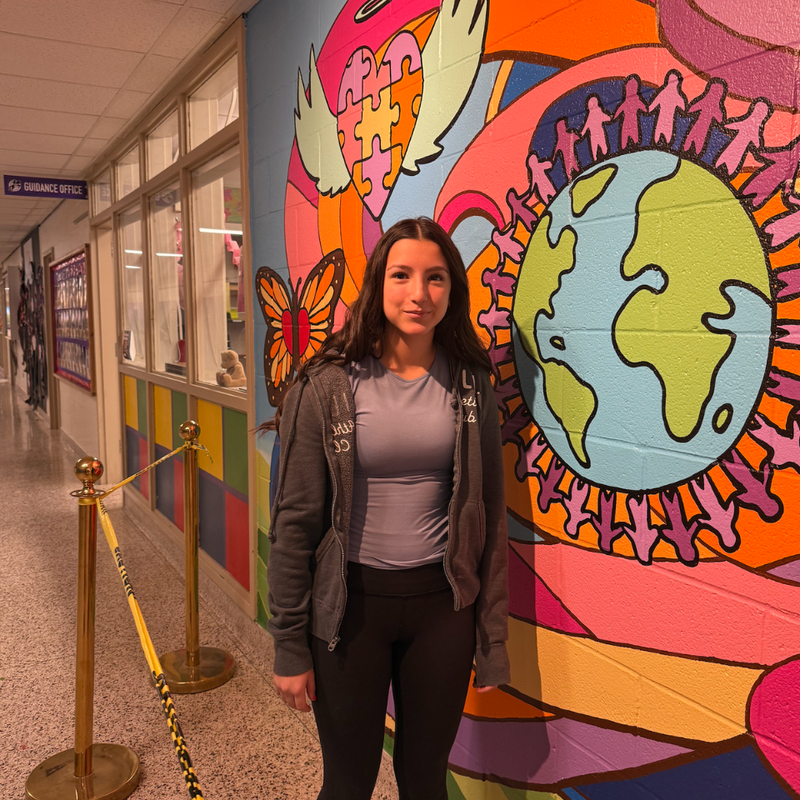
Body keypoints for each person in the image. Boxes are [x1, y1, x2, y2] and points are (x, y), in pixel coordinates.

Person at [264, 217, 510, 800]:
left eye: (436, 278)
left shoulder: (473, 384)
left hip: (442, 611)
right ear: (378, 283)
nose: (419, 294)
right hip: (350, 614)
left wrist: (491, 640)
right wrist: (289, 645)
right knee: (348, 783)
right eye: (402, 275)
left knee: (425, 784)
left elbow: (489, 518)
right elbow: (294, 525)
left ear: (452, 292)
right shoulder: (325, 384)